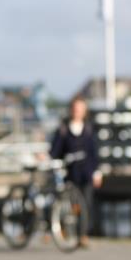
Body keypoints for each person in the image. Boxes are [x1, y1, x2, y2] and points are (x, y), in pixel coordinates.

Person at [49, 94, 102, 247]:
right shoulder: (63, 130)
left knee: (86, 204)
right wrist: (48, 158)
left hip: (87, 172)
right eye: (75, 108)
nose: (77, 111)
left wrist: (97, 172)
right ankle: (64, 230)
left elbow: (94, 153)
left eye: (80, 109)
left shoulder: (89, 129)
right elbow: (55, 151)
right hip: (70, 173)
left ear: (84, 111)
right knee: (70, 204)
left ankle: (83, 235)